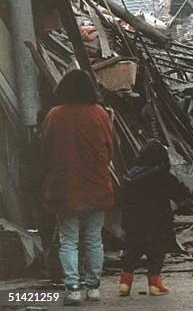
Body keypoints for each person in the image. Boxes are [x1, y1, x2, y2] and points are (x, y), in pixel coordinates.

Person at [42, 70, 113, 305]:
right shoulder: (100, 114)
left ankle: (72, 288)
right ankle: (93, 288)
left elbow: (45, 150)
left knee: (68, 240)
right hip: (97, 184)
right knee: (94, 239)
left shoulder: (54, 115)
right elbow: (110, 148)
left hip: (65, 187)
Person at [118, 140, 192, 297]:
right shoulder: (162, 175)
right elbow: (179, 194)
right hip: (157, 221)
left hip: (134, 221)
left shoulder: (130, 175)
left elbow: (122, 199)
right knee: (157, 252)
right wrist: (188, 195)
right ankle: (154, 285)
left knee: (133, 250)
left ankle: (125, 284)